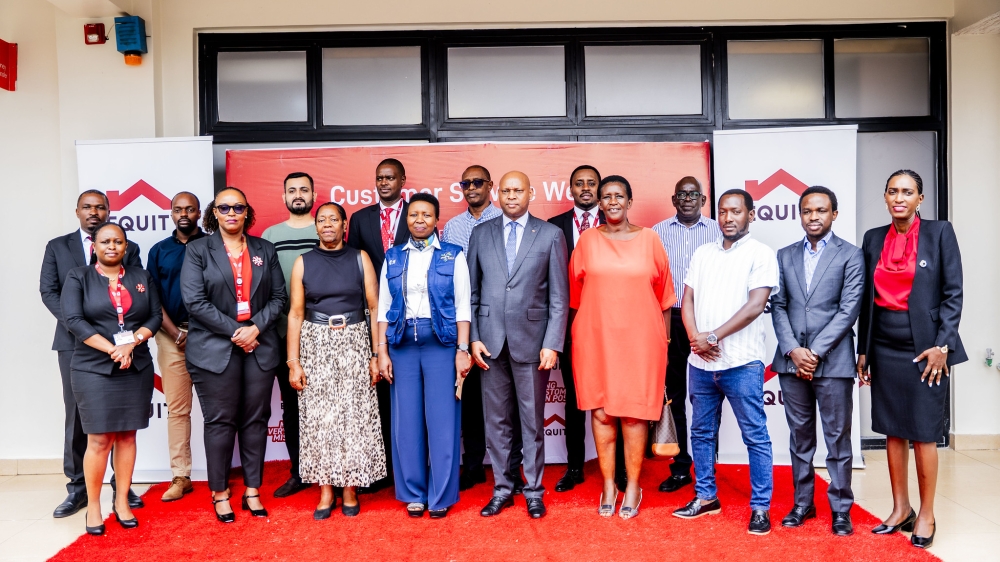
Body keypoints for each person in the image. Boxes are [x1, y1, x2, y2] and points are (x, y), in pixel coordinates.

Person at [858, 169, 966, 549]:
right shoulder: (873, 239)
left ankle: (926, 513)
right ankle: (900, 507)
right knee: (892, 428)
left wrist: (943, 345)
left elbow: (953, 294)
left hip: (926, 350)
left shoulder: (939, 234)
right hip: (884, 347)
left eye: (907, 191)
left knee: (923, 432)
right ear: (885, 197)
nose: (899, 197)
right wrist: (863, 350)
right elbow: (865, 302)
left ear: (920, 199)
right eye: (892, 191)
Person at [672, 189, 779, 536]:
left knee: (755, 437)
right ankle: (706, 497)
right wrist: (695, 338)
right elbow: (686, 299)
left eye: (736, 211)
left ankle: (760, 507)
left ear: (751, 214)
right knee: (700, 433)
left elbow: (755, 305)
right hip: (700, 363)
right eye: (723, 212)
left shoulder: (761, 254)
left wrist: (713, 336)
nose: (728, 218)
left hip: (742, 363)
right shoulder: (703, 253)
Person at [570, 175, 675, 520]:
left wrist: (666, 340)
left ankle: (632, 485)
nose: (612, 201)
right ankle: (608, 485)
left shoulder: (650, 240)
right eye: (606, 196)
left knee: (632, 413)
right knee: (601, 411)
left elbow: (665, 297)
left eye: (619, 196)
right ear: (598, 203)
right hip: (595, 337)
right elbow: (575, 295)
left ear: (630, 201)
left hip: (642, 340)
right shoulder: (586, 240)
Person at [180, 187, 287, 523]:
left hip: (258, 346)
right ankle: (220, 492)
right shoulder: (199, 250)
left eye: (237, 207)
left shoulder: (264, 249)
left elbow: (278, 298)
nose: (231, 213)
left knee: (255, 420)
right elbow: (195, 303)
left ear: (246, 212)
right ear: (214, 213)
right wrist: (236, 332)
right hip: (214, 349)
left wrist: (254, 328)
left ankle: (252, 489)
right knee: (220, 421)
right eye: (223, 208)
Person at [468, 171, 569, 519]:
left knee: (531, 423)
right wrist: (474, 338)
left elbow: (559, 297)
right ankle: (502, 489)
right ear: (497, 194)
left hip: (533, 344)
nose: (512, 196)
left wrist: (552, 342)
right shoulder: (481, 234)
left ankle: (534, 491)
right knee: (496, 422)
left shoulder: (551, 235)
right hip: (490, 343)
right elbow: (472, 292)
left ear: (531, 192)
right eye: (506, 191)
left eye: (518, 190)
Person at [40, 189, 144, 519]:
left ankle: (120, 488)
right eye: (87, 207)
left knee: (121, 422)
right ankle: (78, 489)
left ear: (109, 210)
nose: (94, 212)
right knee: (80, 418)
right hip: (75, 345)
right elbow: (48, 292)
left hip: (124, 346)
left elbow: (138, 293)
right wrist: (81, 325)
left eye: (100, 207)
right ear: (77, 212)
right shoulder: (58, 247)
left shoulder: (130, 249)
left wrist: (123, 340)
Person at [770, 186, 863, 536]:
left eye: (821, 211)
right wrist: (794, 349)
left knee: (837, 438)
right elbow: (778, 305)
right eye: (807, 211)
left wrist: (815, 351)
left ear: (834, 215)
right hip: (791, 361)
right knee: (800, 437)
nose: (813, 217)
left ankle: (841, 508)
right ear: (800, 214)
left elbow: (848, 309)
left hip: (834, 360)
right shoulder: (784, 255)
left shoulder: (851, 255)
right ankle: (802, 504)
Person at [60, 222, 162, 535]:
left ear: (126, 246)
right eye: (105, 241)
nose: (112, 247)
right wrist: (113, 349)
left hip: (135, 366)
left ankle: (122, 502)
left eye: (118, 241)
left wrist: (133, 343)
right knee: (100, 439)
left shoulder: (141, 277)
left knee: (128, 436)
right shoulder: (79, 277)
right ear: (94, 245)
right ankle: (93, 506)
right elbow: (74, 320)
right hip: (93, 367)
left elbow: (155, 316)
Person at [287, 202, 386, 519]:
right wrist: (294, 361)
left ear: (345, 224)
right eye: (321, 219)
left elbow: (374, 308)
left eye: (334, 219)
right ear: (315, 227)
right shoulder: (303, 262)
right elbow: (296, 314)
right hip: (315, 343)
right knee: (320, 419)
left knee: (353, 418)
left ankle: (350, 488)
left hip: (356, 341)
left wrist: (375, 353)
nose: (327, 224)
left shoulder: (361, 258)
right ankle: (326, 489)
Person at [377, 193, 471, 518]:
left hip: (441, 344)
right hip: (401, 345)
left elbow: (463, 307)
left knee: (443, 422)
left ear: (436, 220)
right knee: (406, 422)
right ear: (407, 219)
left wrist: (462, 350)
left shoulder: (452, 255)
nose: (420, 220)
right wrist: (381, 352)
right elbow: (382, 309)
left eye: (426, 215)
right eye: (414, 214)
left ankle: (441, 494)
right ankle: (414, 492)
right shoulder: (392, 257)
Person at [441, 165, 524, 493]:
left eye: (478, 182)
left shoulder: (504, 221)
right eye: (466, 183)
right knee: (471, 401)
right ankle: (474, 466)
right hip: (465, 326)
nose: (471, 187)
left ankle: (514, 470)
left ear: (491, 186)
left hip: (505, 326)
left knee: (513, 403)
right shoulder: (452, 227)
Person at [651, 176, 721, 495]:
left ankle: (708, 465)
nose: (689, 198)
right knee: (674, 393)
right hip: (671, 321)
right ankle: (680, 468)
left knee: (710, 394)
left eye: (694, 194)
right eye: (683, 194)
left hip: (710, 323)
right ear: (674, 199)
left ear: (703, 200)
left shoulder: (719, 232)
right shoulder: (658, 233)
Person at [346, 158, 411, 492]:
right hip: (372, 314)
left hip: (411, 312)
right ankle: (379, 469)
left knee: (407, 395)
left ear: (402, 180)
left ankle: (408, 466)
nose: (384, 183)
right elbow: (354, 265)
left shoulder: (417, 213)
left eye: (390, 177)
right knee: (377, 396)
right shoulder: (360, 219)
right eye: (379, 178)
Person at [547, 164, 606, 493]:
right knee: (572, 398)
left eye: (592, 183)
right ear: (569, 189)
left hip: (608, 326)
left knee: (611, 397)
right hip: (569, 326)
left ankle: (621, 467)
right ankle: (574, 466)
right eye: (579, 183)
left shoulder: (613, 223)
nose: (585, 188)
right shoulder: (553, 227)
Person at [261, 171, 320, 499]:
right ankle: (298, 471)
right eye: (292, 190)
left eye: (304, 190)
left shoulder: (325, 227)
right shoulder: (271, 235)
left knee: (325, 406)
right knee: (292, 406)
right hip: (283, 335)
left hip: (323, 334)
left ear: (313, 194)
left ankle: (329, 471)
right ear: (284, 197)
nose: (298, 195)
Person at [145, 192, 204, 502]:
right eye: (178, 209)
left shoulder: (212, 245)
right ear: (171, 213)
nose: (184, 213)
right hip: (171, 338)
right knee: (178, 410)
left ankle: (221, 474)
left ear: (198, 213)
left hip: (209, 337)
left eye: (190, 209)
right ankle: (181, 476)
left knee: (217, 410)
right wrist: (174, 333)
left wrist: (201, 331)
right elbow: (152, 299)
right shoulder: (159, 251)